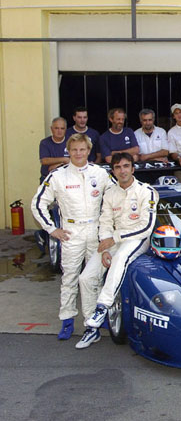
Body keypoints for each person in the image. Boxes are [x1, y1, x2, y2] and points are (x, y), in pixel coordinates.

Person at [31, 133, 113, 341]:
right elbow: (38, 203)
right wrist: (52, 229)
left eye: (82, 149)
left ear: (88, 151)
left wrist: (110, 229)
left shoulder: (100, 173)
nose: (78, 153)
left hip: (95, 231)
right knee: (69, 278)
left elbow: (116, 196)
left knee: (94, 278)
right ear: (68, 151)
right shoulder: (58, 176)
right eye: (74, 150)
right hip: (70, 233)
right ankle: (67, 320)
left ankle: (94, 318)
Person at [77, 152, 157, 349]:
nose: (123, 171)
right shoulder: (110, 193)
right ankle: (91, 327)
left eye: (126, 166)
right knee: (85, 278)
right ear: (113, 171)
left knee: (120, 257)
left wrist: (114, 238)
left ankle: (102, 306)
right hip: (112, 240)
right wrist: (105, 247)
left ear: (133, 168)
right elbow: (104, 222)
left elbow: (146, 227)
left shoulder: (147, 191)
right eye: (118, 167)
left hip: (136, 240)